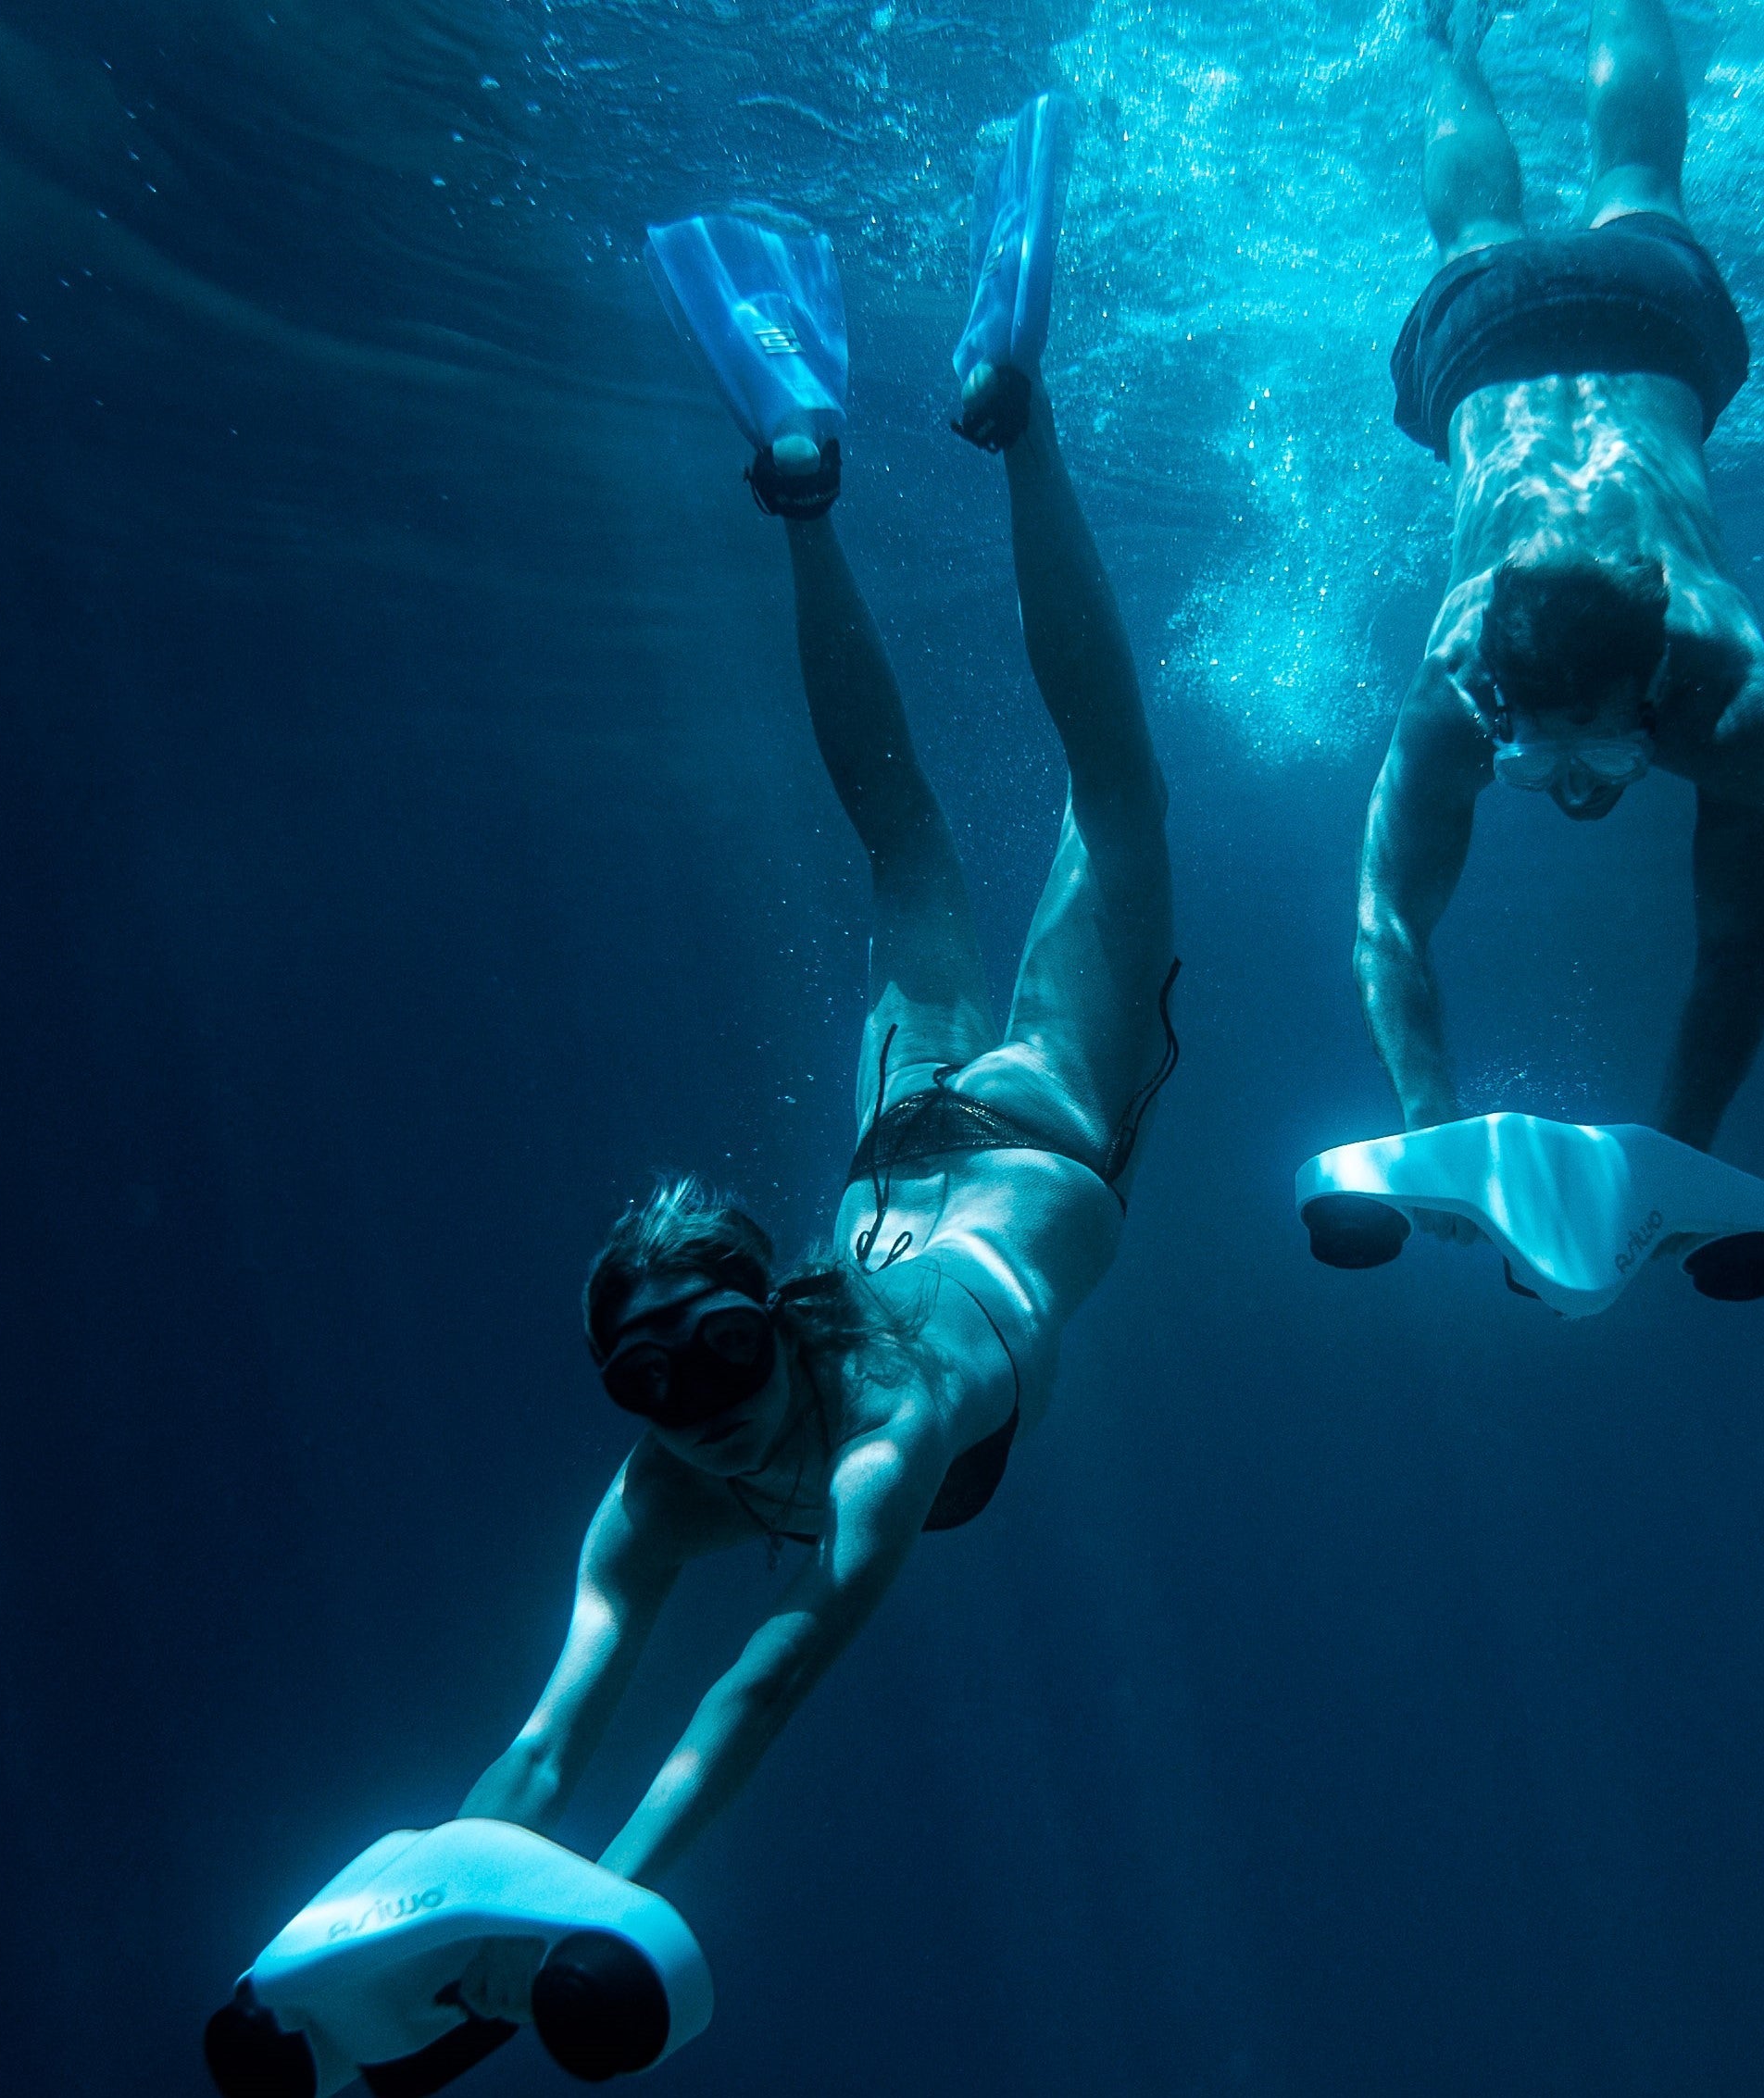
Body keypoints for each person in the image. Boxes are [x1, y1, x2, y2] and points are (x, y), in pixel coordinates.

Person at [452, 345, 1174, 1988]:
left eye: (717, 1350)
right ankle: (802, 497)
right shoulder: (654, 1498)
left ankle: (1018, 428)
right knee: (915, 833)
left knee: (1106, 797)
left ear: (779, 1312)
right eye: (659, 1378)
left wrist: (605, 1912)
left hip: (1036, 1117)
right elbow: (549, 1737)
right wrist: (458, 1890)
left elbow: (761, 1681)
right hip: (909, 1147)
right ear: (624, 1395)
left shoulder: (889, 1429)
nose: (703, 1401)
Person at [1357, 0, 1764, 1194]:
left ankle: (1448, 47)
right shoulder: (1732, 701)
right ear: (1500, 706)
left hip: (1638, 329)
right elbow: (1733, 948)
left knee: (1625, 177)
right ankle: (1451, 49)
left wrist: (1431, 1111)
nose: (1574, 795)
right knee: (1559, 196)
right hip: (1501, 334)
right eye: (1543, 770)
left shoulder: (1462, 688)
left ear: (1655, 682)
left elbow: (1388, 919)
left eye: (1592, 761)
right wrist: (1675, 1156)